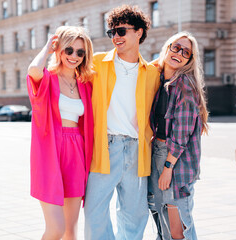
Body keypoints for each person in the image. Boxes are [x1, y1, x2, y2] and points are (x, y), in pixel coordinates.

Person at [84, 5, 160, 240]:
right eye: (112, 32)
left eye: (121, 31)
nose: (115, 37)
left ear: (139, 32)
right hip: (106, 147)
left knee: (134, 215)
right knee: (94, 211)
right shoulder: (97, 63)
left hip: (138, 150)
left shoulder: (153, 73)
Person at [27, 26, 94, 240]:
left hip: (76, 153)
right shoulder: (49, 79)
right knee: (56, 229)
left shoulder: (85, 85)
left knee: (70, 232)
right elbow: (33, 71)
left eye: (80, 52)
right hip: (50, 152)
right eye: (69, 50)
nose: (74, 56)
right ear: (60, 50)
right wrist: (48, 47)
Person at [148, 31, 209, 240]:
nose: (179, 53)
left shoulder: (184, 85)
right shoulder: (159, 80)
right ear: (167, 48)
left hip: (175, 160)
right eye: (176, 47)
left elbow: (182, 132)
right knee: (163, 224)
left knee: (178, 230)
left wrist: (167, 167)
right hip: (157, 151)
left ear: (189, 60)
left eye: (186, 52)